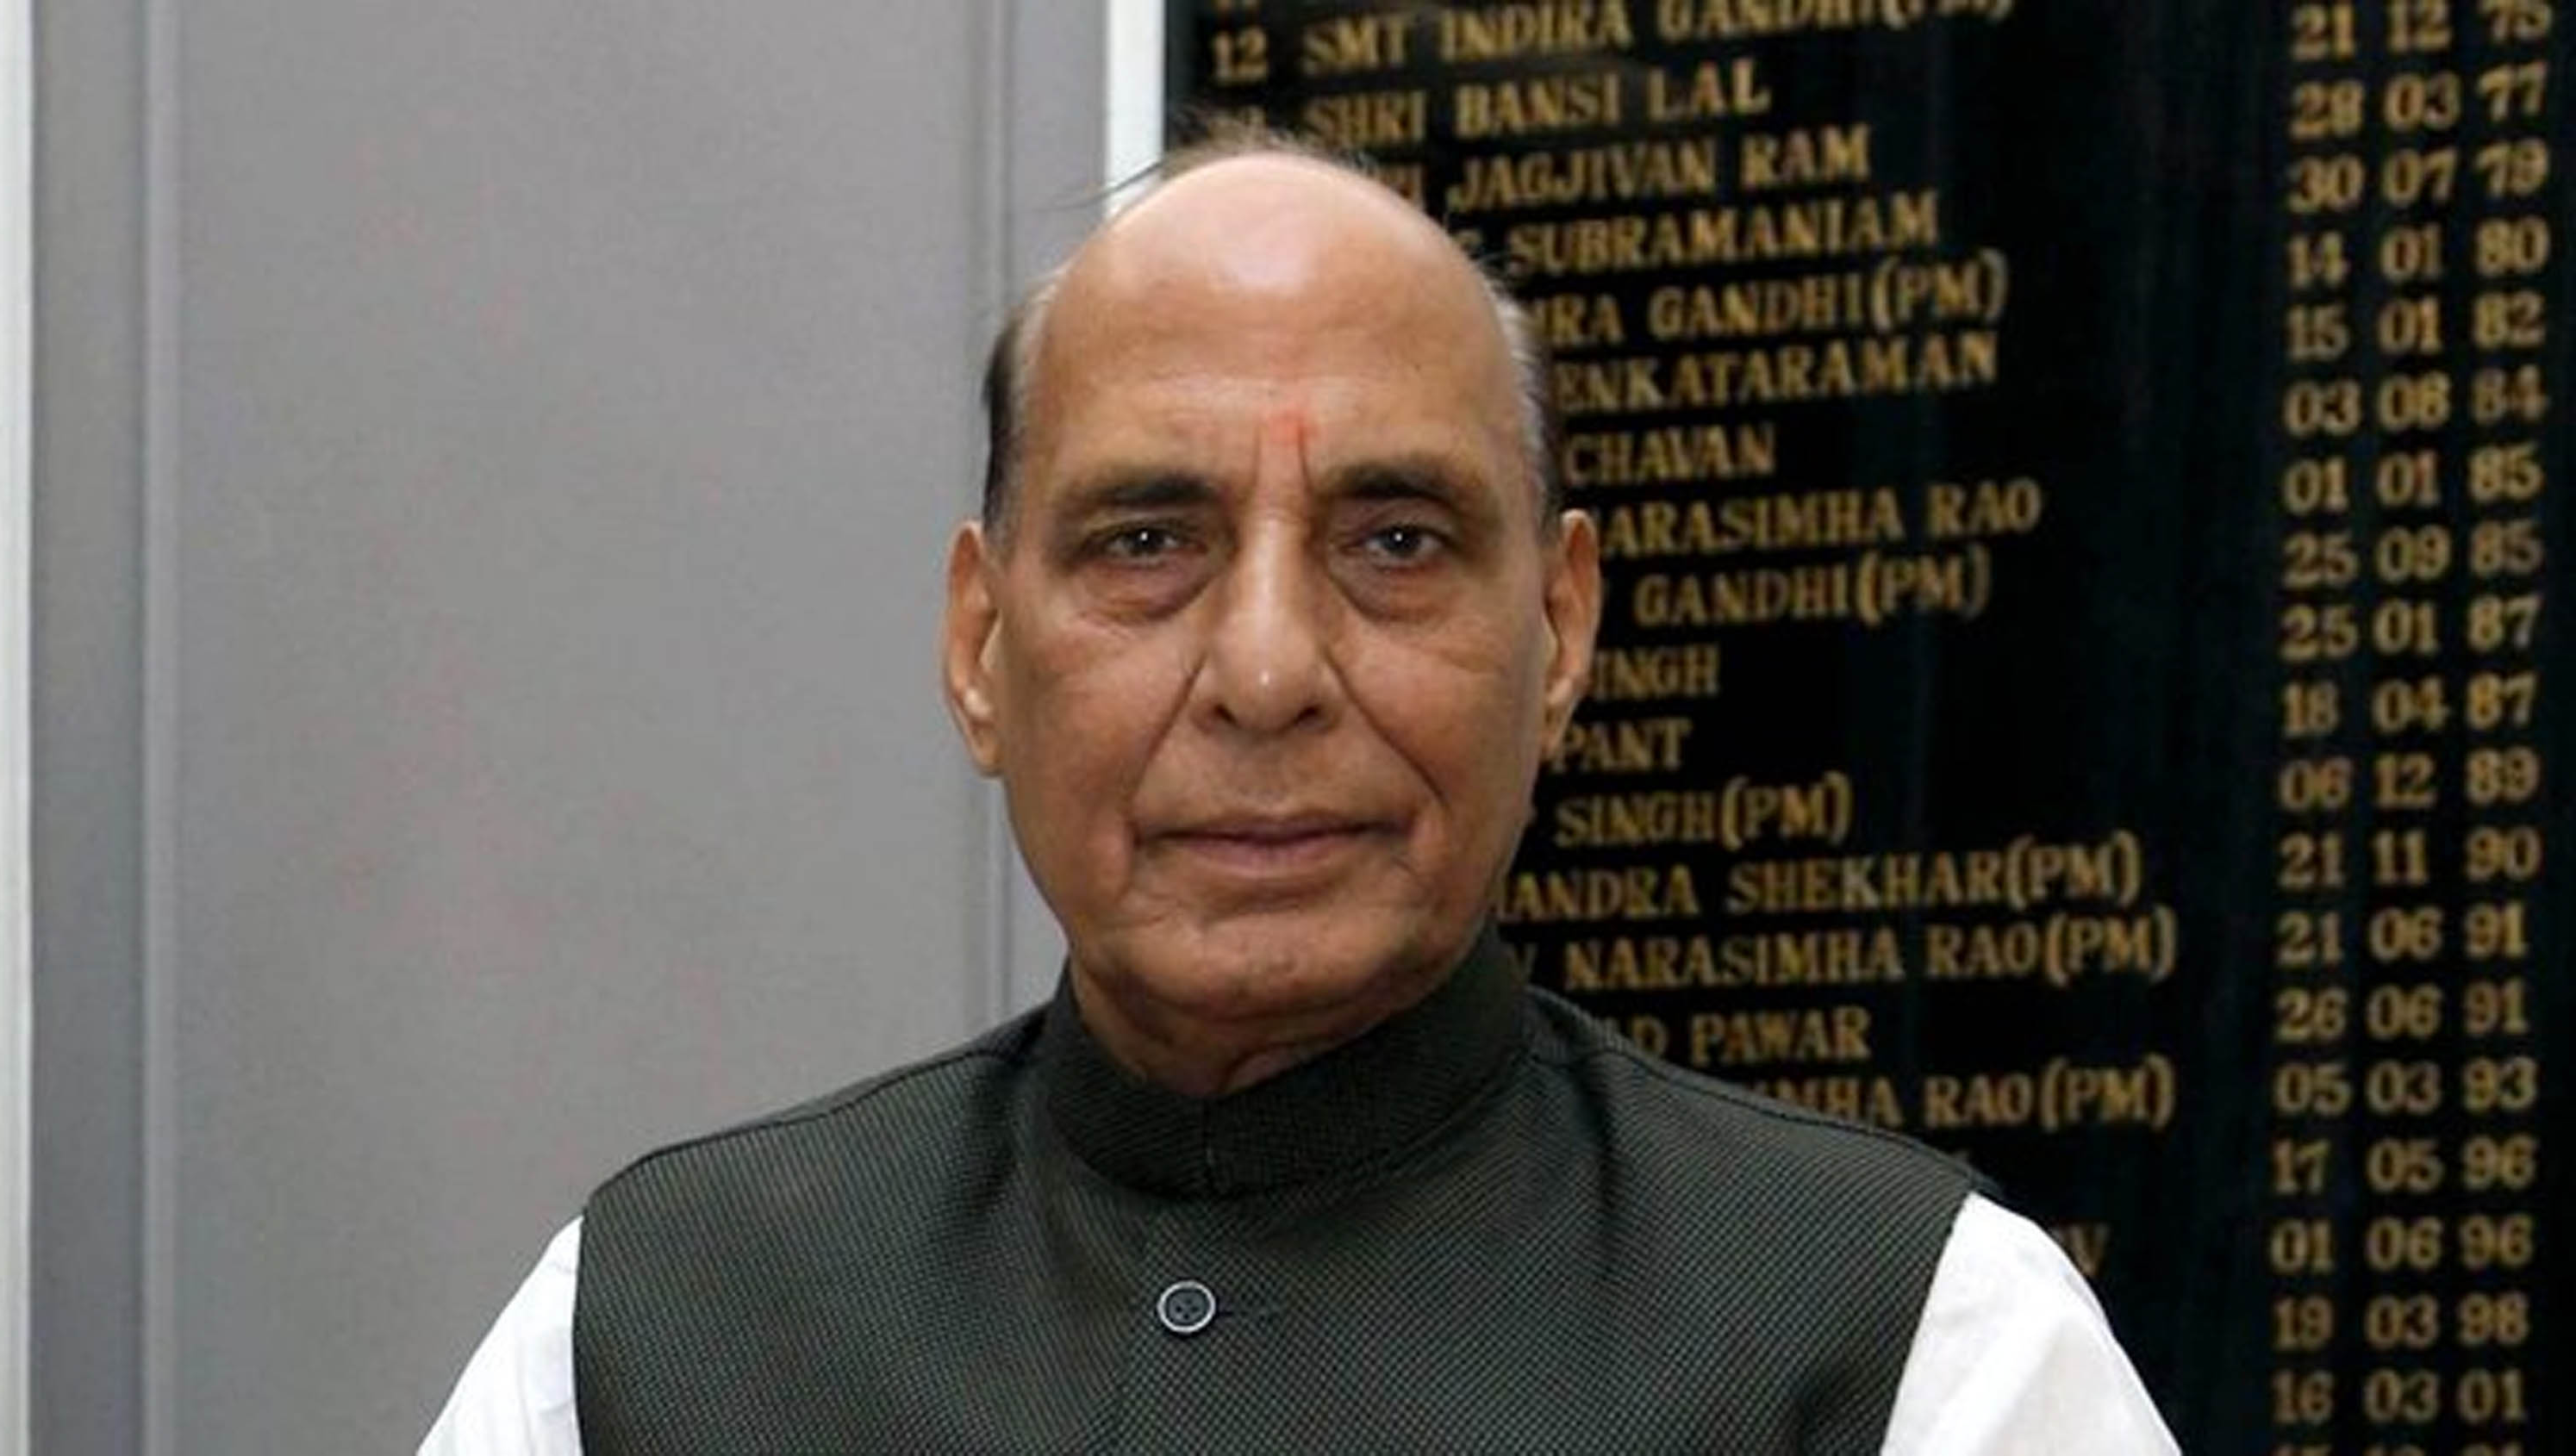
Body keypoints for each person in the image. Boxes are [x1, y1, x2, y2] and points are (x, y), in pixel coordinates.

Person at [421, 134, 2179, 1453]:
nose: (1268, 670)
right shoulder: (655, 1333)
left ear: (1560, 632)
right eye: (1148, 540)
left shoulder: (1907, 1341)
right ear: (980, 645)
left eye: (1395, 541)